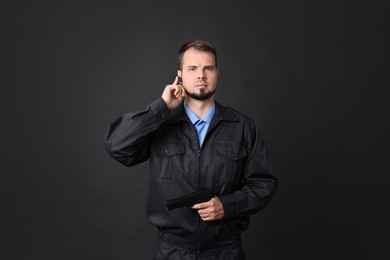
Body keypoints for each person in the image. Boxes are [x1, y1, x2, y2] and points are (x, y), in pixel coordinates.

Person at [105, 40, 278, 260]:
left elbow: (264, 184)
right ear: (180, 76)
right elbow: (116, 146)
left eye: (208, 68)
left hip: (225, 251)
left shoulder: (243, 127)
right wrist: (161, 107)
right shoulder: (161, 124)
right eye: (193, 68)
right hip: (172, 252)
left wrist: (227, 205)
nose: (201, 76)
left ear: (217, 73)